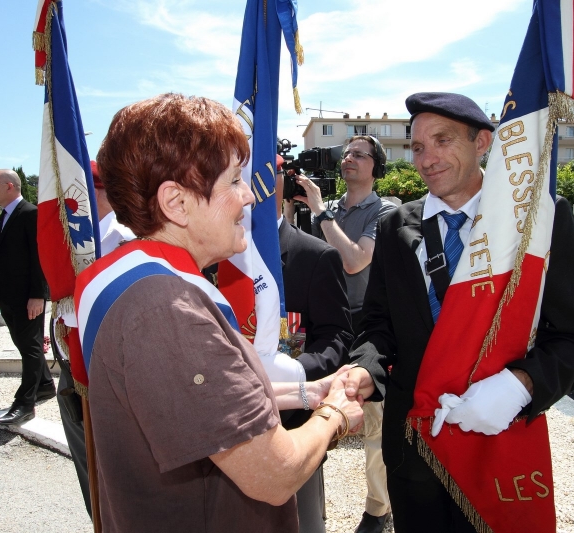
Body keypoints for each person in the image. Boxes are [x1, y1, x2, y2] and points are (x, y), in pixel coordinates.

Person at [75, 93, 364, 532]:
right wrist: (336, 415)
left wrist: (311, 392)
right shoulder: (165, 309)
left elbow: (202, 409)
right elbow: (275, 473)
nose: (250, 195)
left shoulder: (138, 279)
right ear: (176, 202)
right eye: (233, 181)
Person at [342, 93, 574, 532]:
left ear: (482, 142)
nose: (427, 159)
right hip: (414, 449)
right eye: (418, 147)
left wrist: (521, 386)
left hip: (499, 443)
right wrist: (364, 369)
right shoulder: (394, 226)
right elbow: (377, 324)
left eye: (442, 140)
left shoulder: (538, 223)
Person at [296, 136, 396, 532]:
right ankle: (308, 504)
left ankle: (378, 509)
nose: (348, 159)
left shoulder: (386, 212)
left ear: (376, 166)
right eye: (346, 154)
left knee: (375, 422)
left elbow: (355, 261)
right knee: (310, 409)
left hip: (367, 329)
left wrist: (320, 213)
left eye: (359, 154)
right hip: (325, 326)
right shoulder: (329, 211)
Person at [51, 159, 135, 517]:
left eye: (76, 192)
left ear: (103, 194)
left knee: (120, 473)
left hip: (112, 376)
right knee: (87, 465)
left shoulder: (126, 243)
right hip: (70, 367)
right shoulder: (64, 243)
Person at [277, 156, 354, 532]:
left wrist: (294, 372)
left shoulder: (314, 255)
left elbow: (337, 336)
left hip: (293, 425)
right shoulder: (211, 257)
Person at [0, 169, 54, 425]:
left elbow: (39, 257)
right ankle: (45, 385)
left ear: (10, 186)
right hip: (8, 296)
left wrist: (38, 295)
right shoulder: (6, 215)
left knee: (30, 347)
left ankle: (25, 403)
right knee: (25, 345)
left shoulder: (29, 213)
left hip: (27, 296)